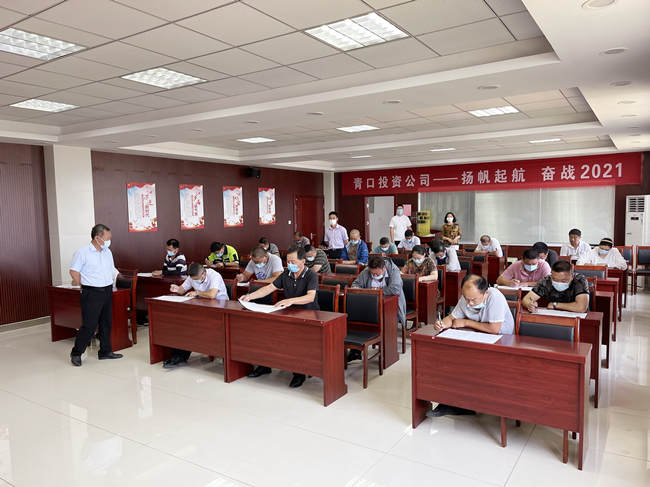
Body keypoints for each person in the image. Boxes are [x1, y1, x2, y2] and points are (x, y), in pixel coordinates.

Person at [429, 274, 514, 417]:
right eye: (466, 298)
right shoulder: (467, 297)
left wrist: (466, 322)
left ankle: (471, 402)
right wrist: (442, 324)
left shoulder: (495, 297)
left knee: (471, 365)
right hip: (478, 338)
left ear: (485, 293)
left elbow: (494, 329)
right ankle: (453, 403)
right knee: (451, 359)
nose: (469, 303)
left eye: (474, 299)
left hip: (501, 341)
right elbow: (452, 318)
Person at [241, 247, 319, 388]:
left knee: (296, 339)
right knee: (267, 332)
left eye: (293, 261)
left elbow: (310, 297)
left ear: (302, 261)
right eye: (288, 261)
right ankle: (265, 365)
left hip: (308, 315)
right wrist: (249, 296)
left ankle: (299, 373)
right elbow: (269, 288)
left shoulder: (311, 275)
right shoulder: (286, 274)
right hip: (289, 313)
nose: (289, 264)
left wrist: (290, 301)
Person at [68, 224, 123, 366]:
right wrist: (84, 285)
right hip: (91, 292)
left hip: (107, 290)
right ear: (97, 238)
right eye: (107, 238)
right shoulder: (82, 253)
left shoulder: (107, 252)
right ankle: (76, 353)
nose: (109, 241)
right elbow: (74, 272)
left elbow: (111, 269)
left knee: (106, 323)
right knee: (89, 325)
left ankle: (105, 351)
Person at [164, 263, 229, 369]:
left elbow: (212, 294)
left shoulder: (214, 275)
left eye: (196, 279)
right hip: (202, 306)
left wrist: (197, 292)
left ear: (204, 275)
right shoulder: (192, 277)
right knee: (184, 323)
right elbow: (182, 289)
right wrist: (176, 288)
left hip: (219, 308)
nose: (195, 281)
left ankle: (180, 356)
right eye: (193, 279)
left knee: (192, 325)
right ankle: (178, 356)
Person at [348, 256, 406, 363]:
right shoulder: (367, 271)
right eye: (372, 274)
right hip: (371, 306)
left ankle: (388, 354)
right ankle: (355, 352)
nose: (374, 276)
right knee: (358, 319)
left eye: (377, 274)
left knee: (388, 323)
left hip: (392, 306)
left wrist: (375, 290)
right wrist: (356, 288)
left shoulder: (394, 270)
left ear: (384, 268)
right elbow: (356, 284)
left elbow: (395, 289)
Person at [521, 260, 589, 313]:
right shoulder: (546, 280)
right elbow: (526, 299)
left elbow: (581, 307)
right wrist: (530, 305)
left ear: (572, 277)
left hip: (577, 317)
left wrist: (555, 304)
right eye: (555, 280)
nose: (559, 283)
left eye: (563, 281)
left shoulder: (579, 280)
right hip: (553, 316)